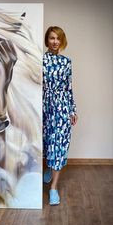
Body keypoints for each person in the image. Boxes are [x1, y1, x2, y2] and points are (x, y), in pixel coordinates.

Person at [43, 26, 78, 205]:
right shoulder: (40, 60)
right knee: (47, 141)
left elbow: (68, 88)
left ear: (62, 41)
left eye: (58, 38)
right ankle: (49, 165)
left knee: (60, 143)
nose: (55, 41)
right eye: (51, 38)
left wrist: (73, 110)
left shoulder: (67, 62)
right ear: (47, 40)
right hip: (45, 106)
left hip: (62, 106)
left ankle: (53, 188)